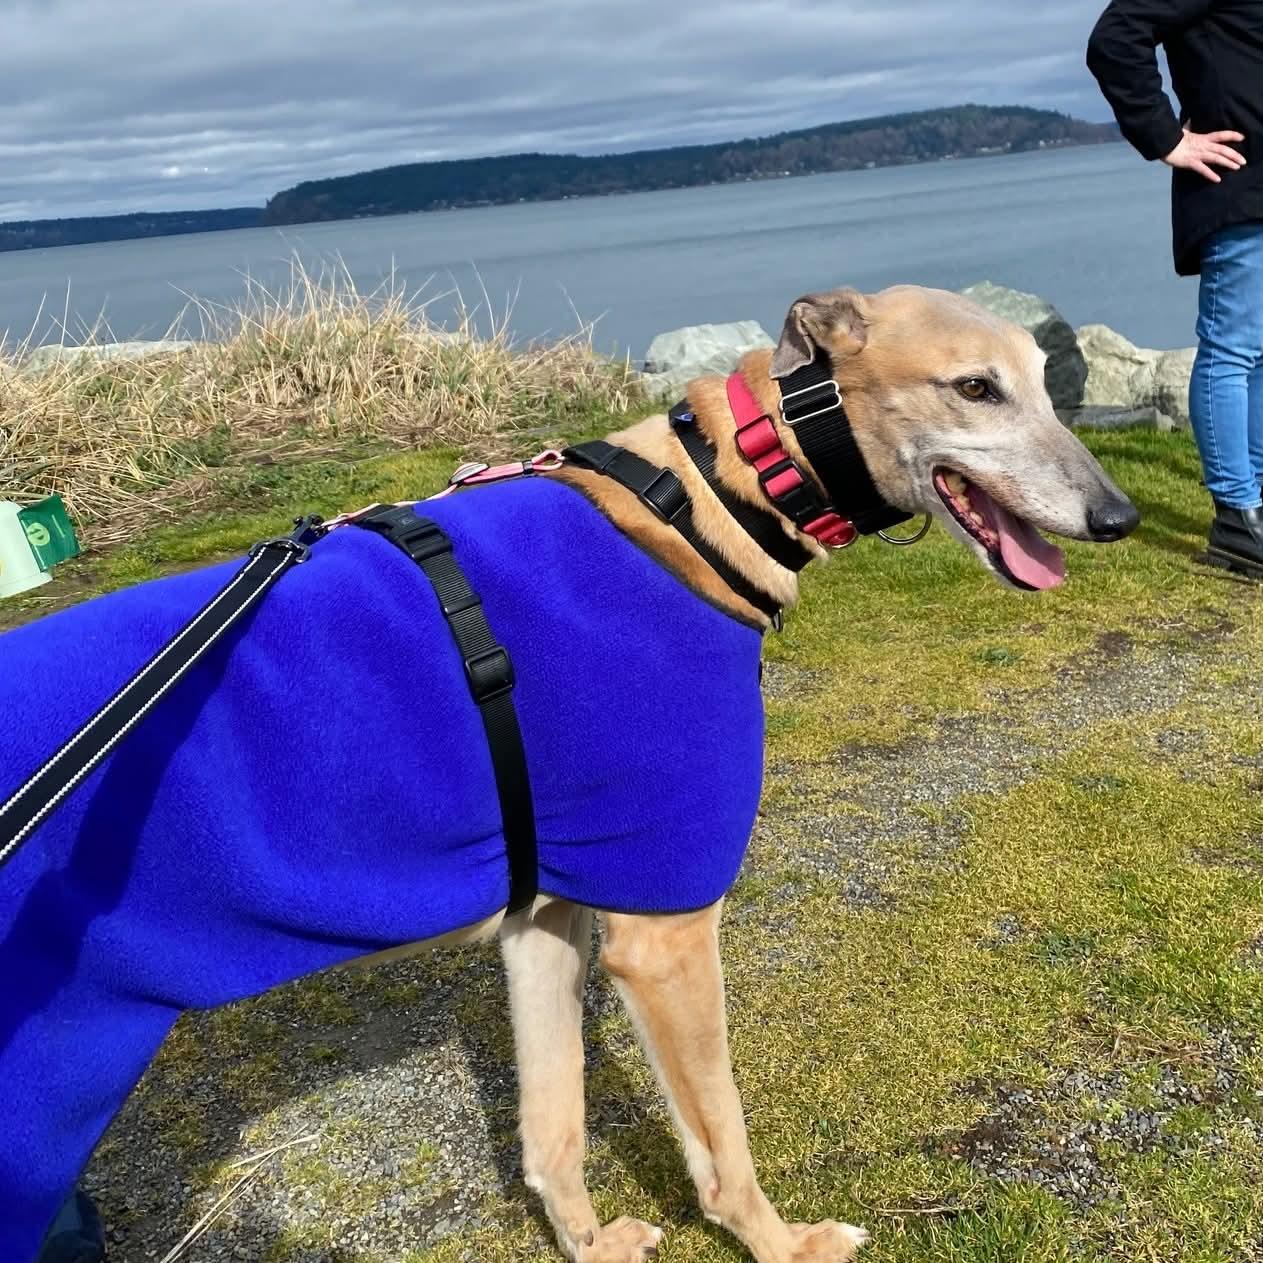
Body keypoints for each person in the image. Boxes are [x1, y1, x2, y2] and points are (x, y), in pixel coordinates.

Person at [1088, 0, 1263, 575]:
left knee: (1259, 354)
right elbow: (1115, 38)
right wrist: (1166, 138)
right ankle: (1237, 520)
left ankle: (1256, 501)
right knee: (1233, 351)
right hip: (1240, 189)